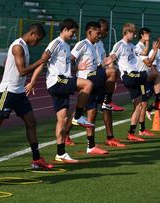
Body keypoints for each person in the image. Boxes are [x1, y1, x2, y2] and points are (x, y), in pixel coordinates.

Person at [0, 23, 54, 170]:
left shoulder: (23, 46)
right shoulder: (18, 46)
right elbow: (22, 71)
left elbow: (6, 62)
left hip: (19, 92)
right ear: (32, 34)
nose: (38, 43)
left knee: (31, 122)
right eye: (38, 39)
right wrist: (42, 61)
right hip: (7, 92)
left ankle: (36, 158)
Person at [27, 19, 95, 163]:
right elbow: (42, 61)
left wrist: (77, 68)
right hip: (57, 81)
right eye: (72, 32)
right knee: (88, 84)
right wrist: (32, 81)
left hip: (62, 81)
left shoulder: (66, 45)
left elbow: (64, 67)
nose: (74, 35)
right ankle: (77, 116)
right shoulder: (56, 43)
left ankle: (60, 153)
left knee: (62, 119)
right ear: (64, 29)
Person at [65, 19, 125, 148]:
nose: (101, 34)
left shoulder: (98, 45)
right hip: (86, 78)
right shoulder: (83, 44)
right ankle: (107, 102)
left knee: (91, 111)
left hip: (96, 77)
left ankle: (91, 145)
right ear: (91, 32)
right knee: (93, 108)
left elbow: (100, 63)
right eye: (99, 32)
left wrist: (108, 63)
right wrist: (77, 68)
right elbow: (69, 60)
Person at [109, 23, 146, 142]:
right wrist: (112, 78)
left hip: (136, 75)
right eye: (133, 33)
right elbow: (111, 58)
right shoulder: (119, 45)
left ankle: (131, 133)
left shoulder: (131, 46)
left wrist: (149, 44)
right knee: (149, 76)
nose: (135, 35)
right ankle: (159, 100)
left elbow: (141, 55)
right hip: (129, 76)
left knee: (139, 104)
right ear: (126, 32)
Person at [134, 27, 160, 136]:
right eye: (147, 34)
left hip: (144, 76)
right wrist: (154, 50)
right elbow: (148, 63)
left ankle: (142, 129)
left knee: (144, 104)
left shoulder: (143, 46)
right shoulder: (139, 47)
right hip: (140, 77)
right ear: (142, 35)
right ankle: (139, 130)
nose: (149, 36)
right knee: (141, 104)